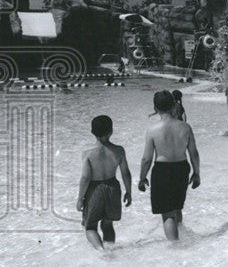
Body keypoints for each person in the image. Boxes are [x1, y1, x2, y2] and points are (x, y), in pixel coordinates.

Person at [139, 90, 200, 242]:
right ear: (174, 105)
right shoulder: (185, 127)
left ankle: (175, 247)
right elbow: (194, 153)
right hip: (182, 168)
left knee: (167, 214)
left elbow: (147, 158)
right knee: (177, 206)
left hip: (162, 170)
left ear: (155, 108)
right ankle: (182, 235)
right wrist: (197, 173)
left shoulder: (152, 130)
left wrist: (142, 177)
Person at [77, 115, 132, 250]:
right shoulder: (119, 150)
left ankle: (101, 251)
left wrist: (80, 199)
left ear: (92, 132)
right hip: (113, 187)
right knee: (108, 224)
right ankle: (111, 251)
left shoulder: (88, 154)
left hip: (94, 190)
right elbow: (126, 173)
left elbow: (85, 178)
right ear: (111, 131)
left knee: (90, 227)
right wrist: (128, 192)